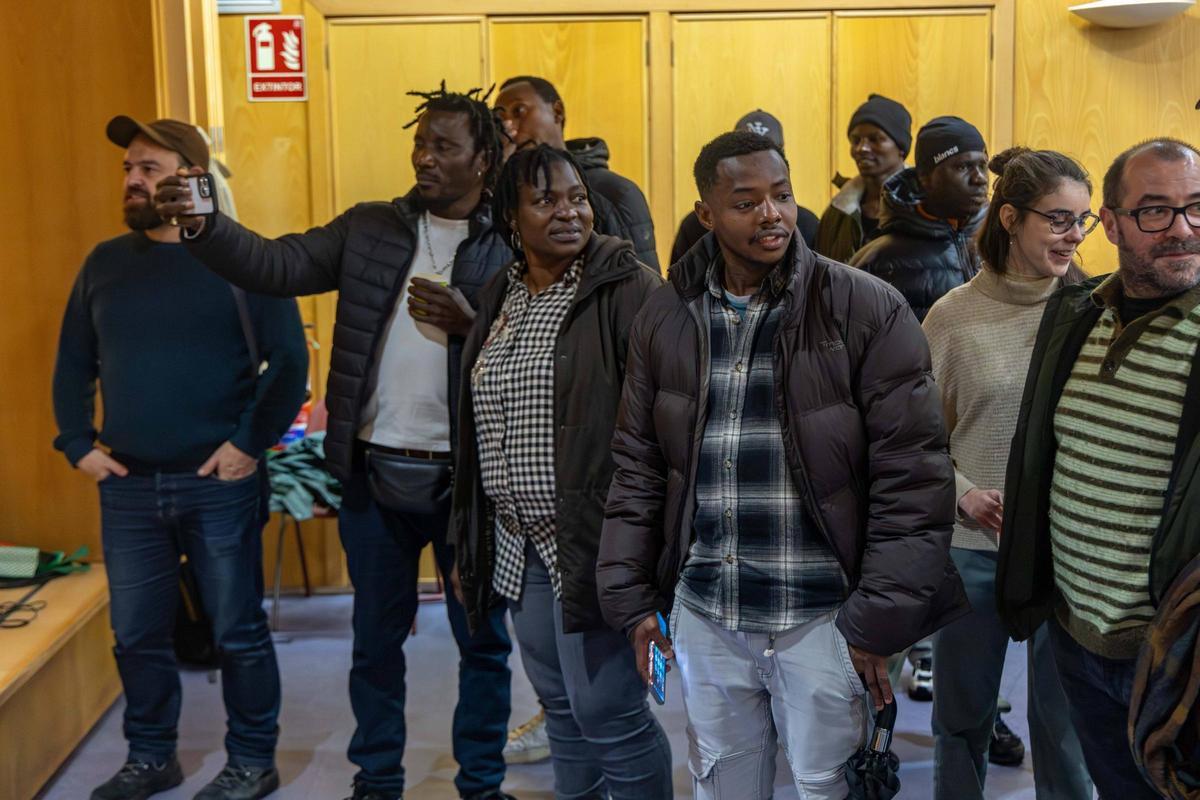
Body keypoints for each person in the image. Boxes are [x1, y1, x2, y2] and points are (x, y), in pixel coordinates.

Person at [153, 84, 516, 800]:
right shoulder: (373, 228)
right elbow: (279, 264)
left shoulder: (510, 241)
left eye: (444, 145)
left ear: (484, 159)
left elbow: (546, 347)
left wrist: (473, 324)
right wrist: (204, 223)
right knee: (374, 647)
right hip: (373, 476)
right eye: (421, 142)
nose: (424, 156)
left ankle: (481, 784)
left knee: (484, 646)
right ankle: (375, 781)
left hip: (472, 486)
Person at [596, 130, 968, 799]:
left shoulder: (864, 307)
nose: (771, 214)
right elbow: (638, 465)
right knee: (723, 783)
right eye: (746, 201)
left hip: (824, 618)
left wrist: (877, 621)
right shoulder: (666, 317)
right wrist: (632, 601)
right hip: (709, 612)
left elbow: (914, 479)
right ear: (706, 214)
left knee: (829, 786)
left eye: (783, 196)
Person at [53, 116, 308, 800]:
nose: (134, 179)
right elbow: (74, 359)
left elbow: (289, 363)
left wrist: (246, 446)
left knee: (237, 633)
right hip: (130, 484)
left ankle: (253, 760)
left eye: (151, 168)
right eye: (129, 169)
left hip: (217, 481)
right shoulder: (106, 263)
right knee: (137, 634)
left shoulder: (242, 258)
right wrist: (78, 443)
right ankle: (151, 756)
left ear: (193, 178)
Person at [449, 143, 670, 799]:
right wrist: (471, 542)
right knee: (564, 712)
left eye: (576, 198)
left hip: (600, 543)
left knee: (611, 713)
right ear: (511, 219)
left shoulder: (628, 288)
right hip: (522, 544)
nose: (568, 212)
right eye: (545, 200)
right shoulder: (501, 294)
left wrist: (645, 552)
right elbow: (477, 427)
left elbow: (669, 430)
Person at [998, 137, 1200, 799]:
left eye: (1197, 208)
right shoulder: (1077, 317)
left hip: (1177, 659)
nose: (1182, 228)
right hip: (1077, 639)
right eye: (1155, 211)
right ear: (1108, 224)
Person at [921, 147, 1096, 800]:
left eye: (1083, 221)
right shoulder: (952, 318)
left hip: (1068, 555)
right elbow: (916, 445)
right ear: (1011, 218)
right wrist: (963, 495)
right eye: (1058, 220)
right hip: (975, 551)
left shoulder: (1094, 313)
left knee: (1065, 725)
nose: (1073, 236)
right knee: (961, 721)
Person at [493, 75, 659, 270]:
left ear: (557, 112)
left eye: (519, 111)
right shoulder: (496, 190)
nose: (509, 128)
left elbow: (647, 287)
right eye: (500, 121)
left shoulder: (615, 191)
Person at [850, 115, 989, 321]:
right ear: (925, 177)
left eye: (983, 166)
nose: (980, 178)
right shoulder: (876, 261)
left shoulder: (1006, 239)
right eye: (963, 167)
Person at [671, 110, 819, 264]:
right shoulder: (694, 226)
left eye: (782, 197)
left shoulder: (807, 224)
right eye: (745, 204)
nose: (770, 215)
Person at [815, 94, 911, 263]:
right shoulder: (837, 212)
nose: (862, 148)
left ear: (901, 148)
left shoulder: (925, 207)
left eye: (875, 139)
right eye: (855, 140)